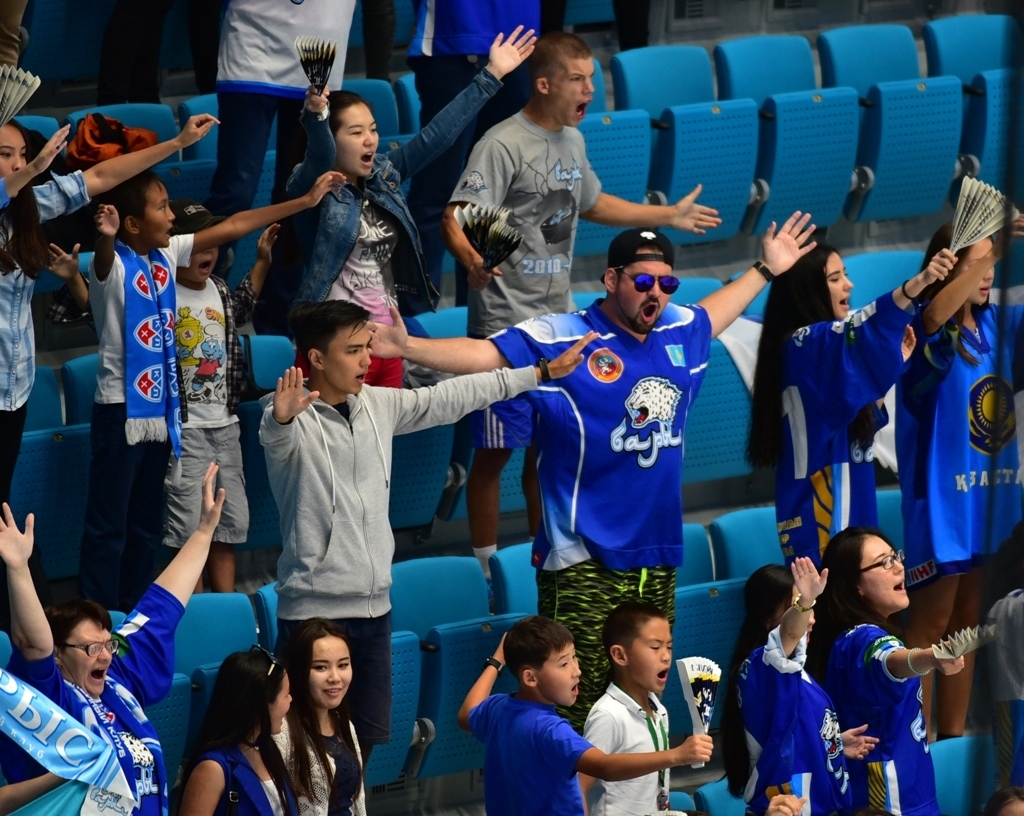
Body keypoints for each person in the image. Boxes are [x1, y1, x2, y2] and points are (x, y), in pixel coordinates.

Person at [370, 216, 817, 728]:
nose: (656, 293)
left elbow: (714, 312)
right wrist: (407, 348)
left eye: (666, 283)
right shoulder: (564, 336)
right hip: (582, 556)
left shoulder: (680, 329)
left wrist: (765, 268)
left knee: (642, 700)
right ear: (611, 279)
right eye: (642, 281)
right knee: (578, 705)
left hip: (658, 554)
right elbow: (486, 354)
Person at [443, 31, 720, 587]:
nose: (590, 89)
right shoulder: (502, 143)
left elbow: (591, 202)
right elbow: (456, 215)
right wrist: (472, 260)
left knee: (549, 451)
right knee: (495, 454)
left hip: (561, 326)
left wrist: (664, 217)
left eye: (592, 78)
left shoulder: (572, 140)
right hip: (506, 325)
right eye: (577, 79)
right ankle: (486, 572)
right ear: (544, 84)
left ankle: (542, 560)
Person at [261, 299, 592, 757]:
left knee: (362, 747)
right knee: (303, 747)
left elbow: (454, 396)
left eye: (367, 347)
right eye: (353, 351)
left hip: (375, 610)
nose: (367, 360)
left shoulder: (377, 404)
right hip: (312, 613)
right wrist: (281, 419)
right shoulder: (287, 414)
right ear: (316, 358)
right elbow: (276, 437)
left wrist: (537, 373)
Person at [79, 167, 344, 612]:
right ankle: (96, 617)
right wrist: (105, 238)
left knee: (143, 524)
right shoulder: (114, 263)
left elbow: (235, 225)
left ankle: (133, 611)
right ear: (133, 224)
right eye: (162, 207)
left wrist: (305, 202)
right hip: (121, 412)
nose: (171, 217)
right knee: (110, 525)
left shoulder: (167, 254)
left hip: (162, 412)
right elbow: (102, 263)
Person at [0, 113, 219, 630]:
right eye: (5, 156)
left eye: (20, 154)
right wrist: (34, 166)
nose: (17, 164)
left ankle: (41, 626)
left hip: (15, 385)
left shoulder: (30, 206)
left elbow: (98, 178)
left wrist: (178, 141)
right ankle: (37, 624)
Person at [286, 25, 536, 386]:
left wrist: (491, 75)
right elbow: (319, 155)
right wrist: (316, 117)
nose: (370, 140)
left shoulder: (384, 175)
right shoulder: (312, 189)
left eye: (373, 129)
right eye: (356, 133)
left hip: (385, 339)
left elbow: (436, 137)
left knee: (392, 424)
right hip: (334, 344)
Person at [0, 464, 227, 815]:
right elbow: (34, 644)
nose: (105, 656)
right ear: (59, 655)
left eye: (108, 645)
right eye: (91, 648)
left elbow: (162, 609)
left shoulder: (118, 680)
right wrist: (18, 569)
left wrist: (204, 532)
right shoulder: (49, 696)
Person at [747, 244, 955, 566]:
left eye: (845, 275)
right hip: (821, 513)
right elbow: (861, 326)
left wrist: (889, 368)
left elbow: (857, 424)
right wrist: (917, 284)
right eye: (835, 278)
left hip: (850, 502)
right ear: (808, 291)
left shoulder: (817, 352)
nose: (849, 284)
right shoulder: (804, 343)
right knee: (836, 598)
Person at [898, 220, 1024, 740]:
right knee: (930, 625)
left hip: (987, 502)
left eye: (994, 262)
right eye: (978, 263)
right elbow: (933, 314)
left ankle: (949, 739)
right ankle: (918, 743)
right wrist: (989, 254)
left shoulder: (999, 324)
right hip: (941, 505)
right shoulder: (924, 328)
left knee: (968, 622)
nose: (989, 273)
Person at [458, 616, 714, 816]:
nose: (576, 671)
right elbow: (604, 766)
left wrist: (496, 662)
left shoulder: (498, 709)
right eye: (563, 664)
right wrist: (677, 755)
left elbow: (466, 714)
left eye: (574, 658)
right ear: (530, 678)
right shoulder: (550, 729)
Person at [207, 0, 357, 334]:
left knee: (299, 194)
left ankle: (278, 325)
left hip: (321, 47)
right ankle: (200, 308)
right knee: (235, 192)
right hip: (251, 44)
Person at [807, 527, 965, 815]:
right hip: (887, 801)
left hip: (914, 794)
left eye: (896, 557)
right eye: (884, 562)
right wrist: (929, 657)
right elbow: (890, 660)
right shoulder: (862, 639)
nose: (899, 567)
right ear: (855, 585)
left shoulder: (853, 637)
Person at [164, 201, 279, 593]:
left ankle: (226, 606)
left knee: (227, 525)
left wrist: (262, 261)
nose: (209, 252)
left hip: (226, 428)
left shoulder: (218, 288)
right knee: (189, 529)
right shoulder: (163, 293)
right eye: (200, 244)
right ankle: (192, 609)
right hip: (185, 431)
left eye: (213, 244)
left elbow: (243, 307)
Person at [405, 0, 539, 303]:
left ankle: (480, 316)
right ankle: (415, 320)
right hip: (453, 37)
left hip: (520, 39)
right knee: (437, 192)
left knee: (492, 195)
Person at [722, 559, 878, 815]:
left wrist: (832, 744)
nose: (810, 619)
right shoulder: (761, 666)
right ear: (767, 618)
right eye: (796, 606)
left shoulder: (793, 671)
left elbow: (788, 734)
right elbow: (790, 633)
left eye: (811, 608)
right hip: (786, 810)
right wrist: (805, 600)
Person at [579, 602, 713, 815]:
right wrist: (677, 754)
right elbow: (579, 786)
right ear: (620, 655)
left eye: (669, 646)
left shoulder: (659, 709)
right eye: (655, 647)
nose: (666, 656)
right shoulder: (608, 715)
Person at [180, 648, 296, 816]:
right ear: (262, 705)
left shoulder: (267, 748)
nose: (290, 700)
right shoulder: (212, 769)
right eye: (286, 695)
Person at [274, 619, 365, 816]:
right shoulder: (281, 732)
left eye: (343, 665)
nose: (335, 678)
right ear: (299, 671)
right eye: (321, 667)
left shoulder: (343, 723)